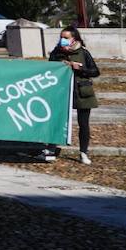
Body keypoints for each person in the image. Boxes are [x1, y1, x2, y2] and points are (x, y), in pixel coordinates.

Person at [46, 26, 100, 165]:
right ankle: (51, 149)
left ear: (73, 39)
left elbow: (95, 71)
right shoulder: (56, 53)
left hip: (82, 92)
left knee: (84, 124)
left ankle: (83, 153)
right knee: (57, 121)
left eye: (66, 37)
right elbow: (48, 70)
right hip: (62, 92)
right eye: (61, 37)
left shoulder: (83, 52)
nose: (62, 40)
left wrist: (80, 68)